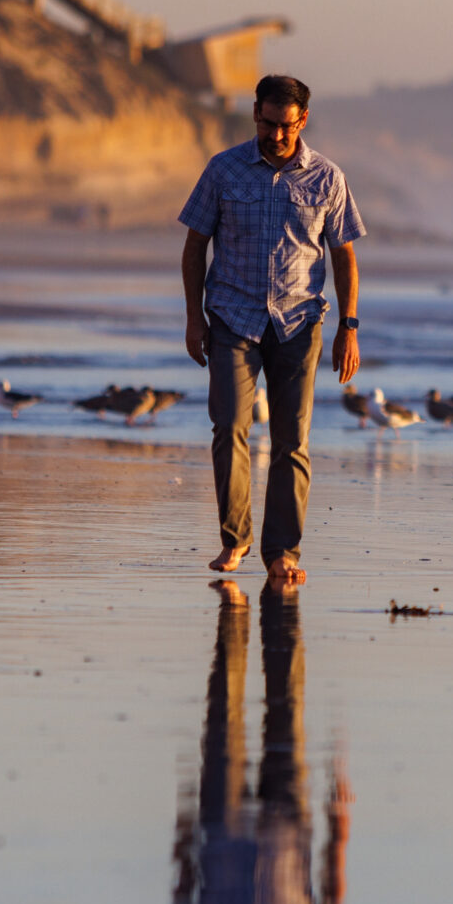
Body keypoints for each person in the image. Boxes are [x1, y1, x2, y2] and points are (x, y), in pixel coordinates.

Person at [179, 74, 364, 581]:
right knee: (230, 426)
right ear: (255, 114)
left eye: (286, 126)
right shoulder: (224, 169)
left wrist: (349, 326)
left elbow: (344, 256)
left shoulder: (328, 178)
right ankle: (234, 541)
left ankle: (283, 551)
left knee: (291, 440)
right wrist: (195, 317)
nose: (276, 135)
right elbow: (196, 245)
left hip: (299, 322)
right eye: (267, 123)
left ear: (302, 120)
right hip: (232, 317)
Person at [172, 579, 349, 904]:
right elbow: (331, 898)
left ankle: (235, 614)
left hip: (220, 822)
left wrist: (183, 831)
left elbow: (181, 894)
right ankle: (259, 605)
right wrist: (341, 825)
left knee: (223, 713)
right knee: (287, 703)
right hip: (290, 827)